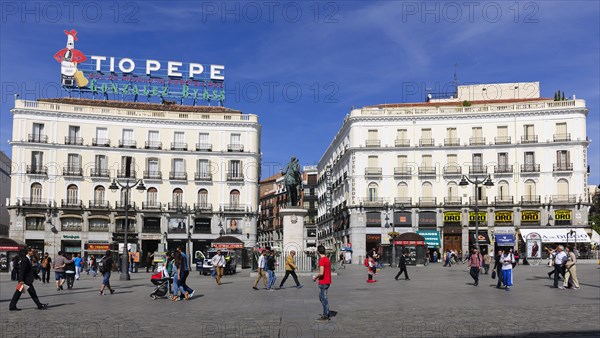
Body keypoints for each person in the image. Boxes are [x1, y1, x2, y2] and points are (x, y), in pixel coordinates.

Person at [313, 245, 332, 322]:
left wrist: (315, 277)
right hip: (327, 281)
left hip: (323, 282)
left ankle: (325, 315)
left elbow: (321, 273)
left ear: (318, 251)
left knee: (323, 299)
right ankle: (326, 312)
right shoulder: (327, 259)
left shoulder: (322, 260)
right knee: (322, 297)